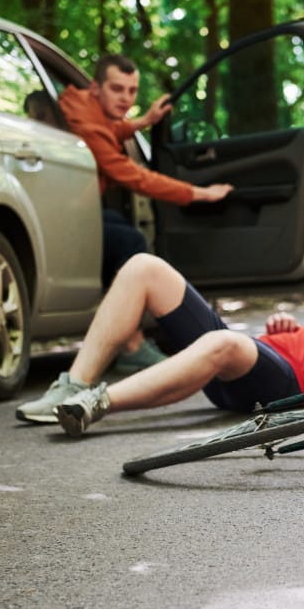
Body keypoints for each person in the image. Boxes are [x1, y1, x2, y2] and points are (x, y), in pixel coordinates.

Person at [15, 254, 304, 435]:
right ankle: (73, 382)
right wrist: (286, 326)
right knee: (144, 267)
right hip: (259, 352)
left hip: (280, 384)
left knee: (223, 343)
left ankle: (96, 403)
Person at [59, 54, 235, 373]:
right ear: (96, 87)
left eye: (132, 90)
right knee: (130, 241)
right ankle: (131, 345)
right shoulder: (83, 122)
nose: (126, 99)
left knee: (115, 224)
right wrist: (198, 193)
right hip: (63, 214)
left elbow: (109, 129)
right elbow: (134, 176)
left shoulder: (83, 105)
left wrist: (143, 122)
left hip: (77, 208)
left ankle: (123, 331)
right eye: (117, 89)